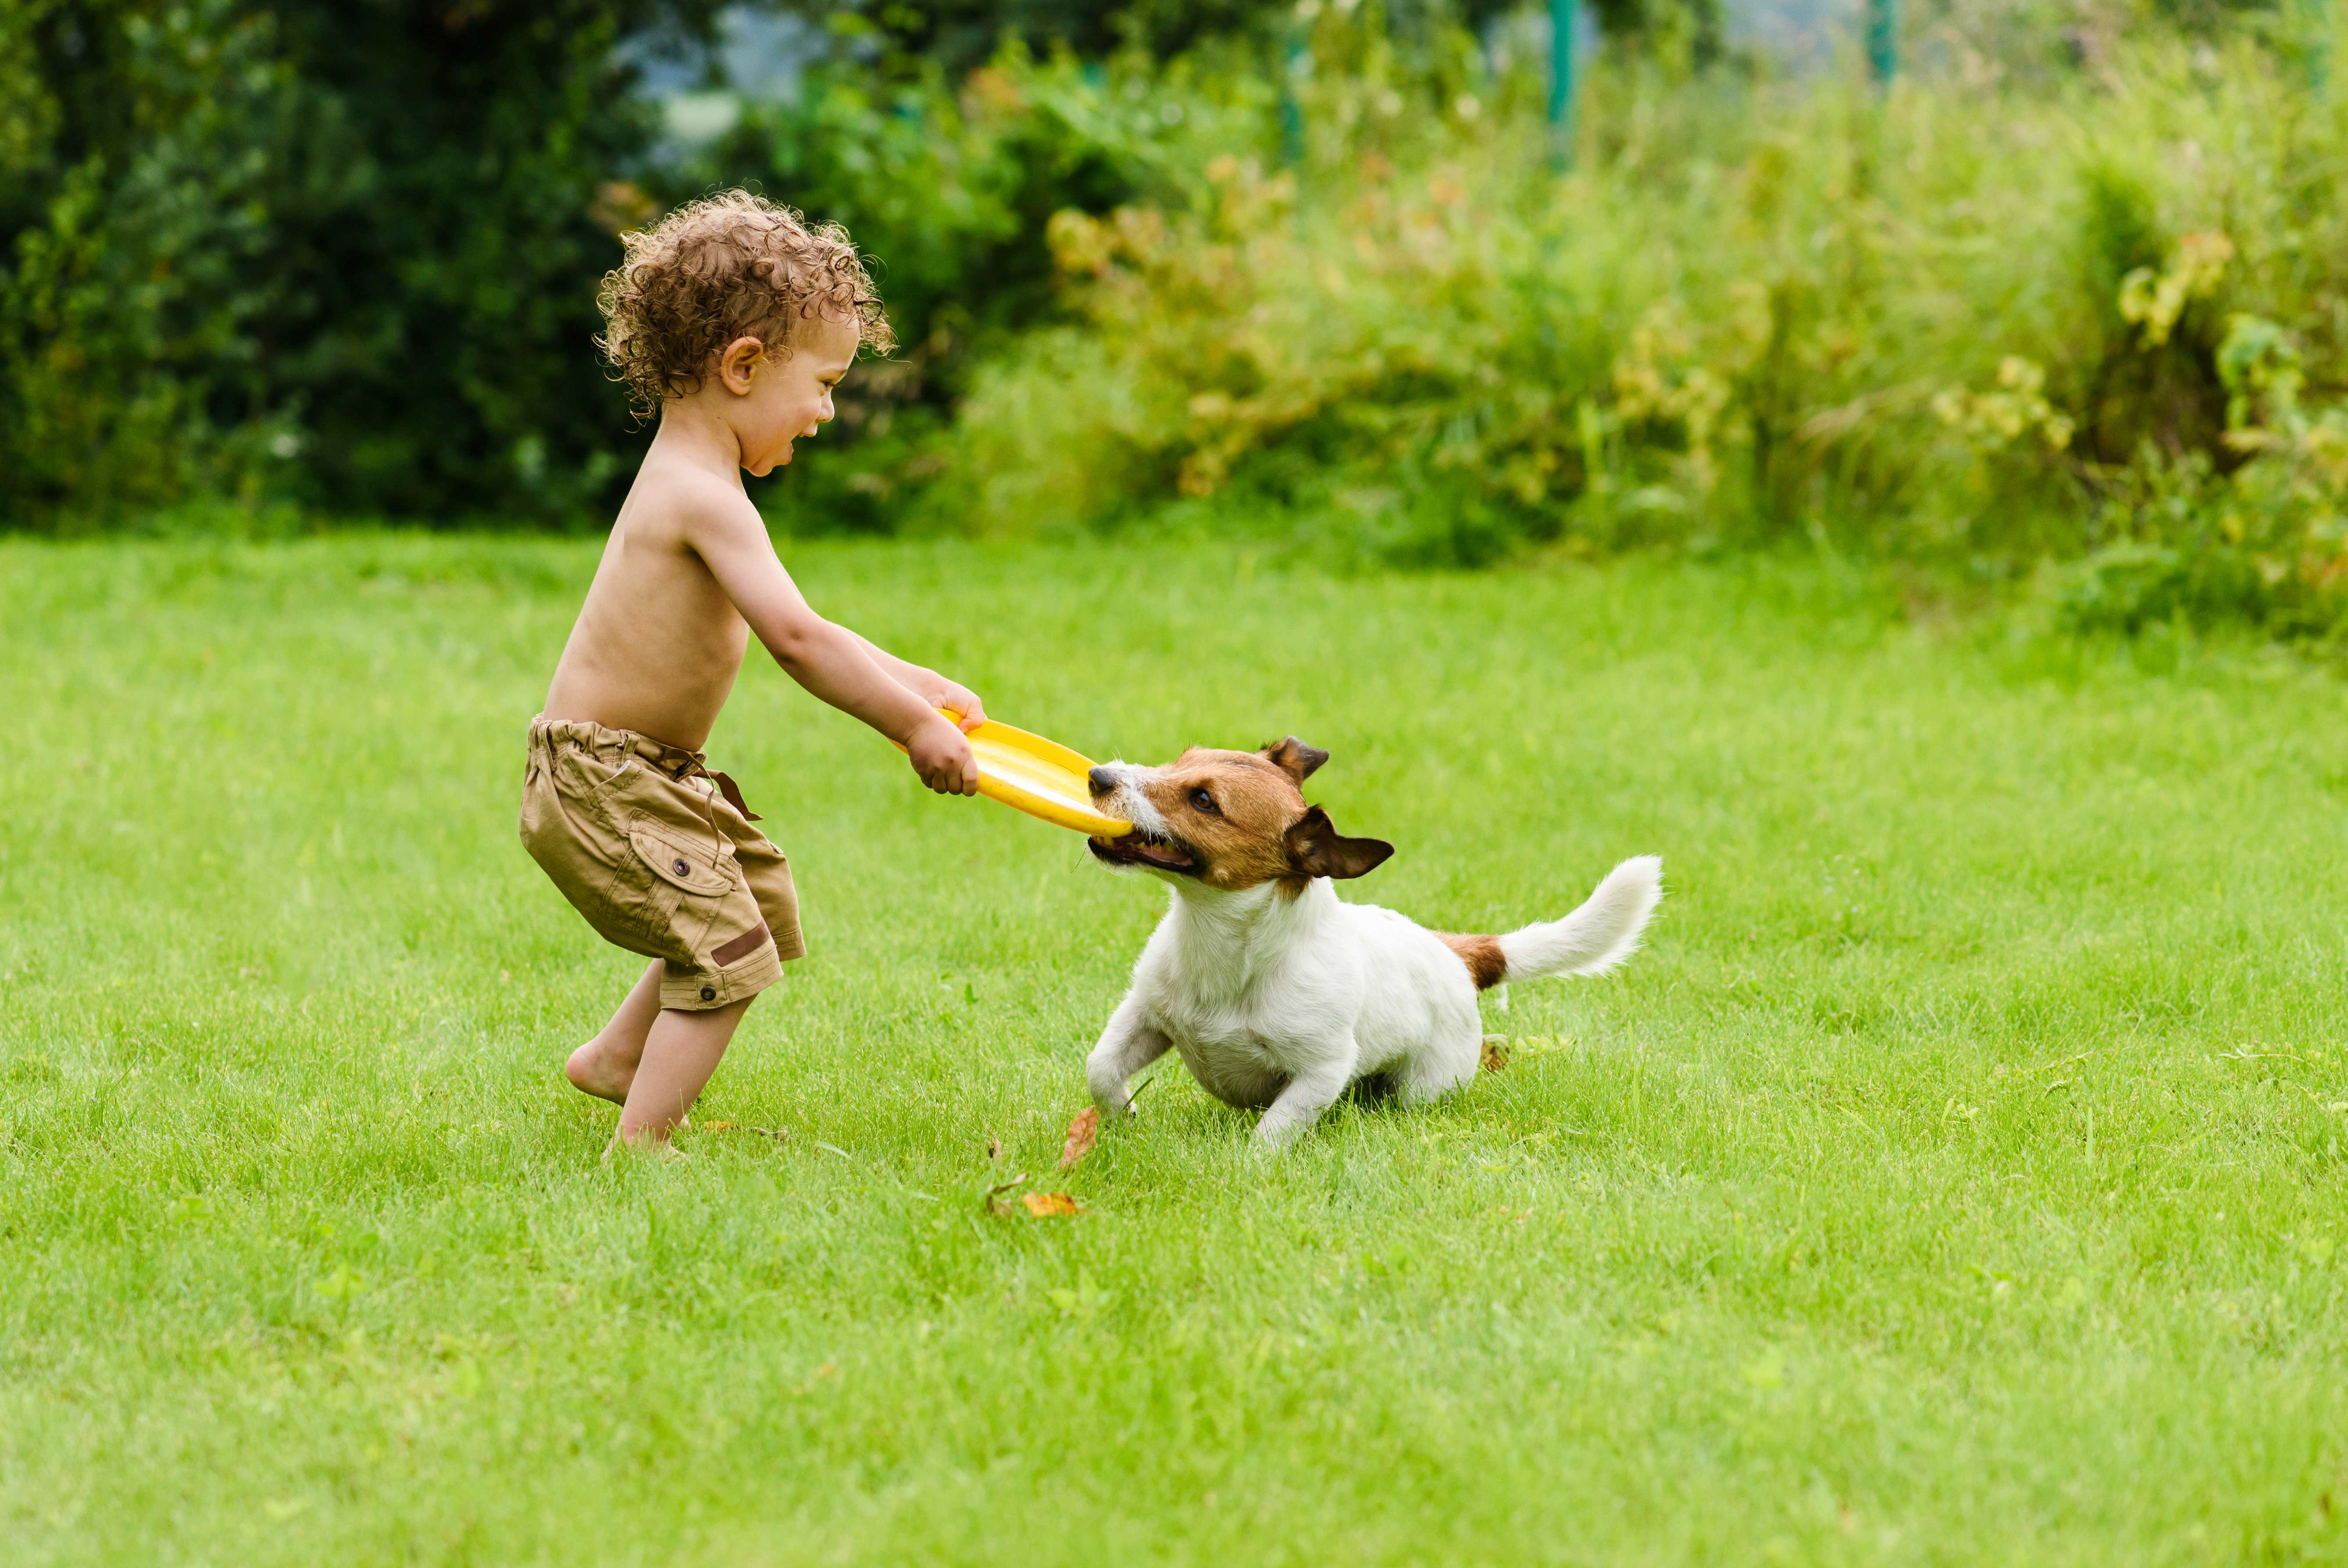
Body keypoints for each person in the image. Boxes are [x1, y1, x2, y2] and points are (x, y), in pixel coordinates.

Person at [521, 190, 984, 1153]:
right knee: (725, 945)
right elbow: (799, 646)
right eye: (823, 384)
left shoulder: (700, 483)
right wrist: (911, 728)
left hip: (644, 772)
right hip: (605, 777)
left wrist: (916, 682)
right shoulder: (702, 496)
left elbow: (808, 624)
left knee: (757, 898)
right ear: (742, 366)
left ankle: (615, 1059)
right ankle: (643, 1146)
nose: (825, 411)